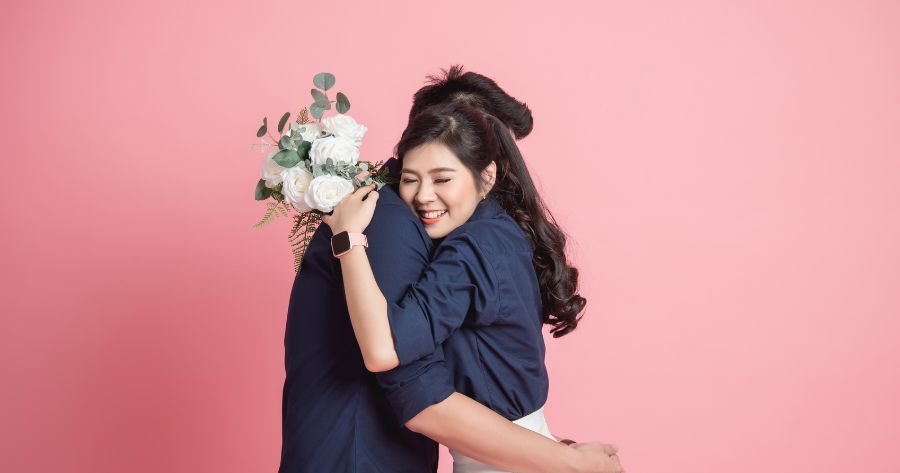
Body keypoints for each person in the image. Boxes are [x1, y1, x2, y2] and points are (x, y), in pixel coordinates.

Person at [279, 66, 623, 473]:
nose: (501, 169)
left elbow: (492, 368)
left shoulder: (474, 237)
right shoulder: (389, 221)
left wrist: (552, 447)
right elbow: (413, 386)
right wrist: (569, 462)